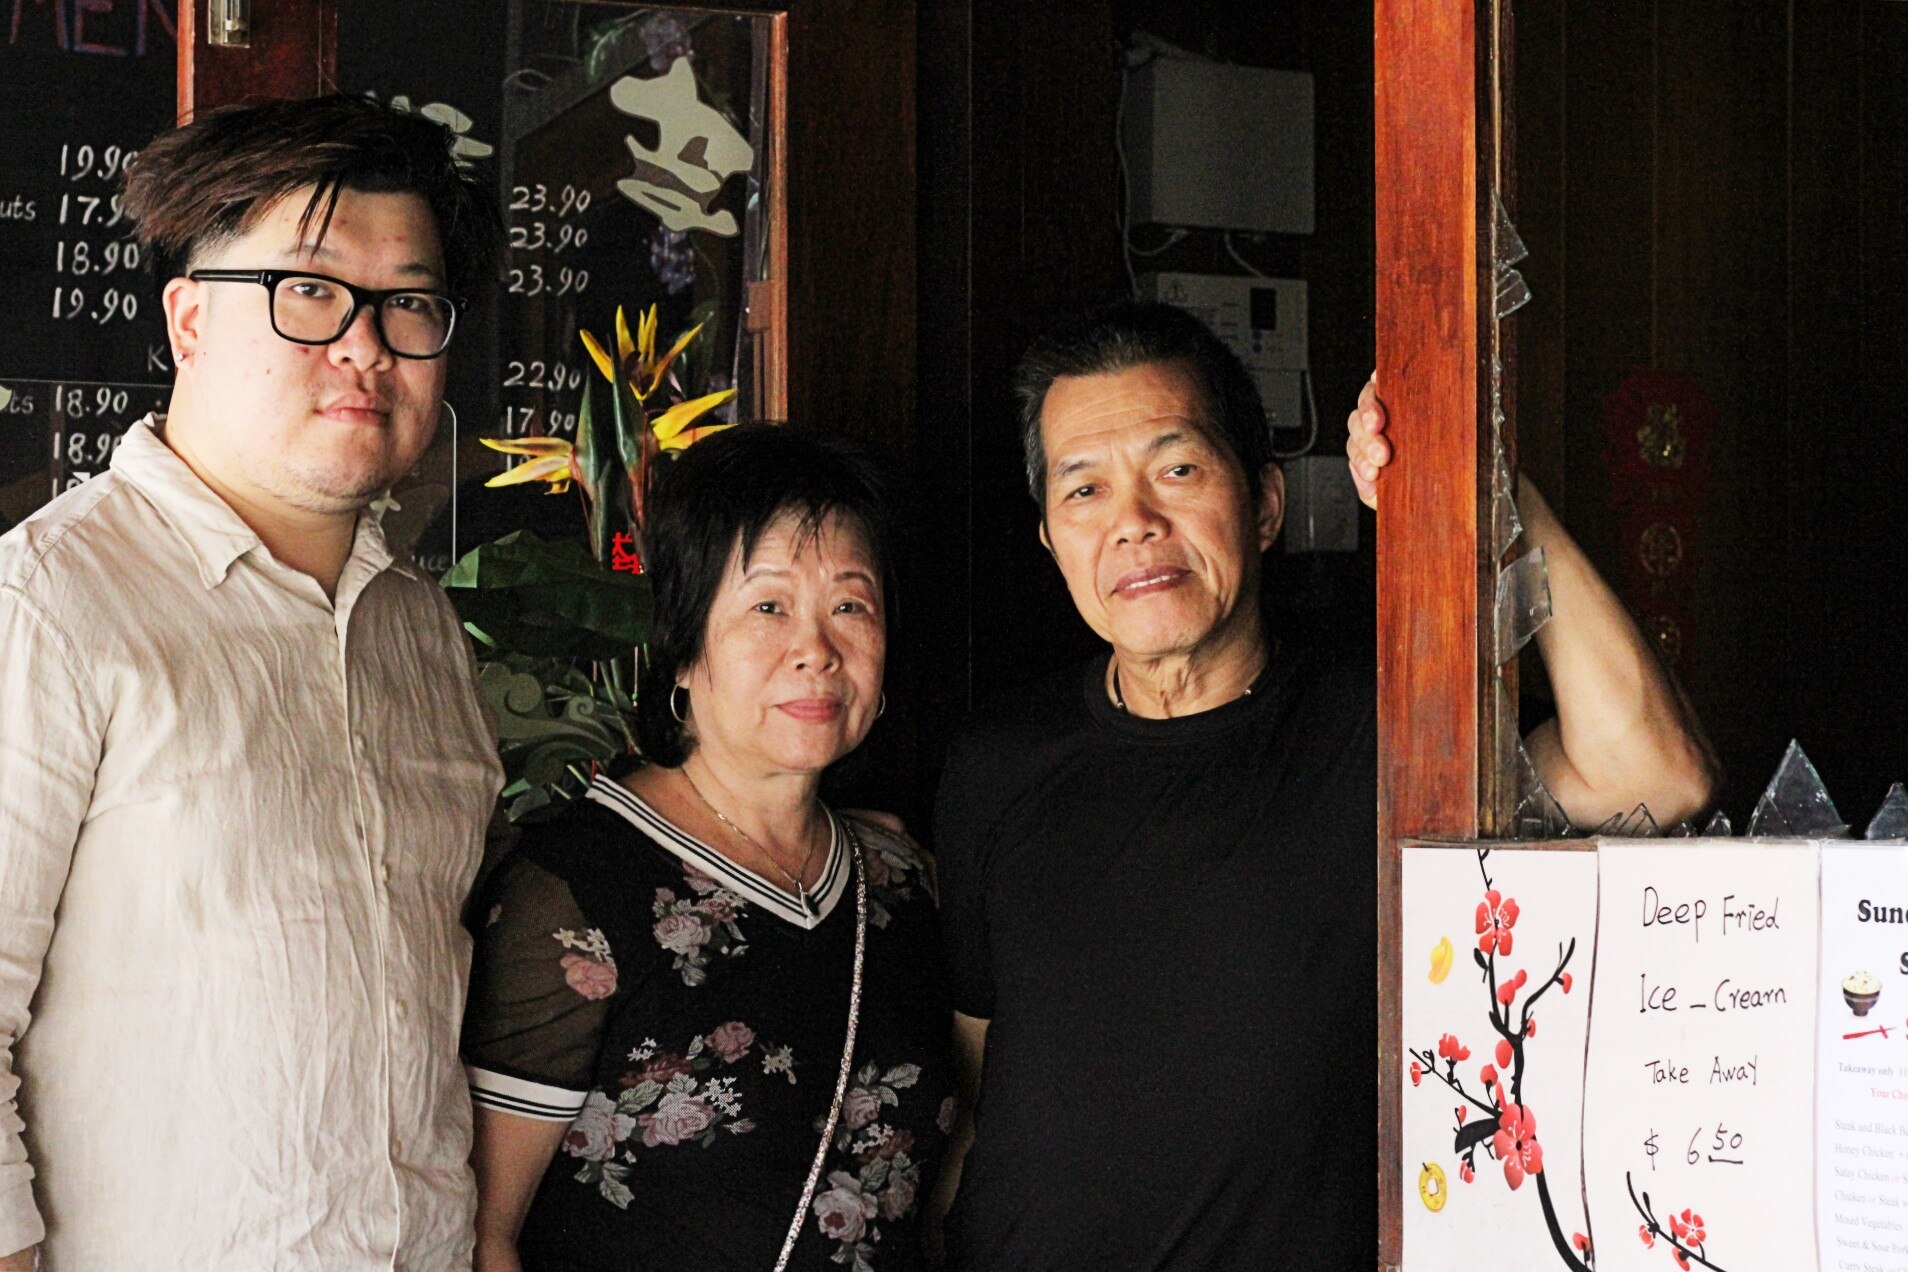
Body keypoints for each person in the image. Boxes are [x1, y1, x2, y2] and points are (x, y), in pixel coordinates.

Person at [928, 302, 1718, 1269]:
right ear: (1051, 538)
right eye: (1083, 489)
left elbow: (1653, 773)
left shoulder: (1383, 735)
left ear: (1265, 504)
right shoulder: (996, 767)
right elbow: (978, 1097)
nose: (1133, 524)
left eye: (1177, 470)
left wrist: (1490, 482)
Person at [0, 96, 503, 1269]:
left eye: (410, 303)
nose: (366, 346)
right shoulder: (50, 606)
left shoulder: (420, 632)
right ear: (188, 321)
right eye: (310, 291)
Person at [464, 424, 953, 1271]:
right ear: (684, 649)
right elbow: (484, 1235)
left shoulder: (905, 885)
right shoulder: (575, 897)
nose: (816, 650)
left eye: (850, 605)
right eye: (768, 607)